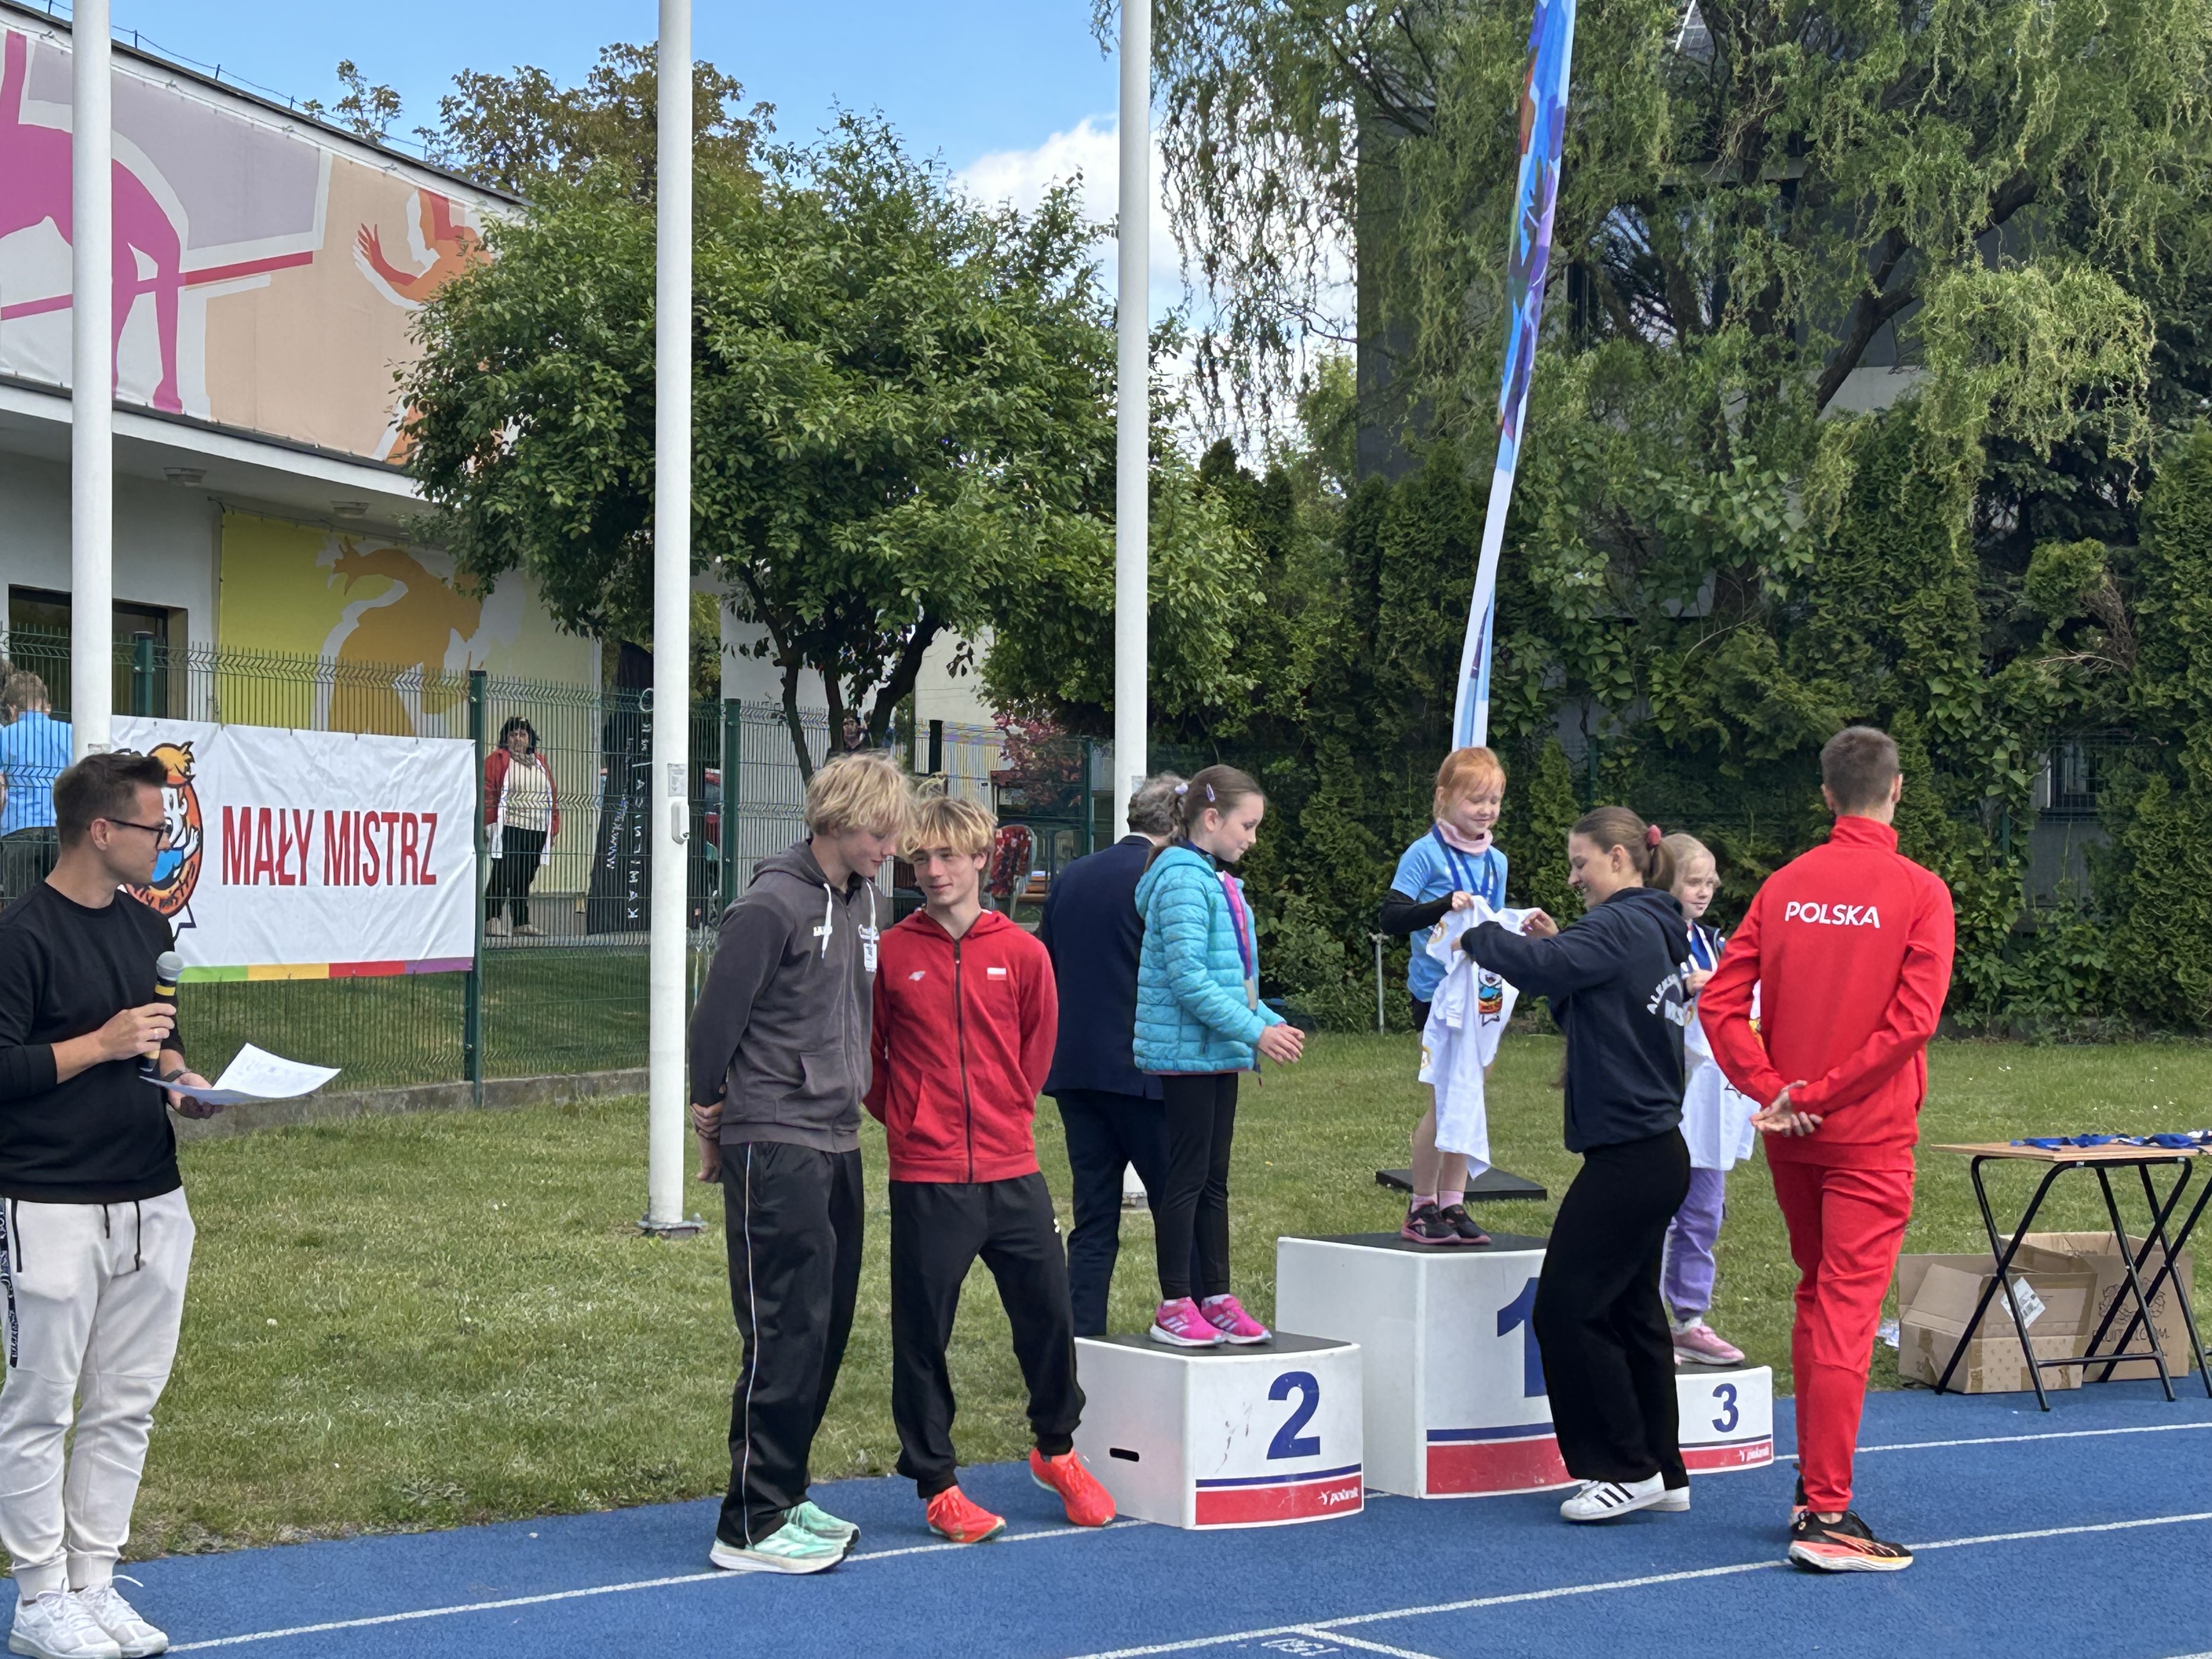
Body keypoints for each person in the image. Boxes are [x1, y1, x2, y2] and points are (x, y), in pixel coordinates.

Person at [1700, 726, 1954, 1573]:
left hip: (1795, 1134)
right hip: (1863, 1133)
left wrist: (1773, 1090)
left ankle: (1815, 1492)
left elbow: (1721, 1004)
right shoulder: (1920, 892)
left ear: (1826, 795)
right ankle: (1827, 1511)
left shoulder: (1786, 885)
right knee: (1843, 1308)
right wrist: (1808, 1096)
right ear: (1897, 789)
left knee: (1819, 1297)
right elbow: (1912, 1023)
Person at [0, 750, 221, 1659]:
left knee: (127, 1402)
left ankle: (95, 1580)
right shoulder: (20, 936)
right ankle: (39, 1596)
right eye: (153, 829)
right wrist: (99, 1043)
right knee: (42, 1405)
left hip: (151, 1193)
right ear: (101, 830)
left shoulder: (145, 927)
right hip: (46, 1198)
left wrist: (184, 1078)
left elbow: (160, 1039)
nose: (165, 845)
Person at [867, 795, 1116, 1544]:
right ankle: (938, 1484)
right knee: (922, 1335)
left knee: (1049, 1317)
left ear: (982, 860)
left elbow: (1037, 1049)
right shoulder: (893, 954)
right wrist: (911, 1118)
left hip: (1013, 1169)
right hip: (927, 1174)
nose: (933, 871)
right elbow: (871, 1060)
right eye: (921, 858)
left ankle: (1056, 1450)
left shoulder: (1025, 954)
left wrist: (1007, 1112)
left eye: (948, 856)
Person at [686, 749, 905, 1576]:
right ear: (840, 822)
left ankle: (784, 1492)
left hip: (838, 1137)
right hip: (775, 1139)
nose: (891, 848)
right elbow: (714, 1027)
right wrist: (710, 1117)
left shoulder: (865, 899)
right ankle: (748, 1522)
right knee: (782, 1327)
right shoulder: (769, 904)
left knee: (825, 1326)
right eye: (881, 833)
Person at [1460, 808, 1693, 1525]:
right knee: (1631, 1310)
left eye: (1580, 862)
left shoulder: (1622, 924)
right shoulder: (1652, 927)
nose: (1572, 877)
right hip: (1654, 1151)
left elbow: (1545, 969)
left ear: (1619, 859)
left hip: (1632, 1155)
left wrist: (1477, 933)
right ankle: (1663, 1467)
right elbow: (1586, 1002)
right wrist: (1557, 949)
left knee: (1567, 1307)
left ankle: (1624, 1466)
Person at [1133, 766, 1305, 1348]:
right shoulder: (1184, 880)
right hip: (1187, 1054)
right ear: (1211, 819)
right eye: (1247, 826)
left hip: (1215, 1052)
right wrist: (1256, 1033)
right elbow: (1189, 980)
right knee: (1186, 1179)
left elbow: (1234, 981)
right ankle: (1175, 1303)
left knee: (1213, 1180)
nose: (1252, 839)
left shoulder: (1214, 878)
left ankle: (1217, 1297)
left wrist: (1269, 1021)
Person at [1036, 774, 1202, 1336]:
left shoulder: (1074, 876)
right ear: (1179, 824)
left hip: (1077, 1068)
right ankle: (1193, 1316)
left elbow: (1049, 965)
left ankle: (1081, 1337)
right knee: (1179, 1208)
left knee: (1093, 1217)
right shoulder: (1171, 878)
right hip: (1150, 1071)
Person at [1379, 747, 1510, 1245]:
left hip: (1484, 995)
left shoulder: (1496, 861)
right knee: (1446, 1098)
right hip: (1437, 995)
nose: (1486, 810)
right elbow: (1391, 916)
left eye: (1494, 801)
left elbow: (1492, 928)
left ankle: (1454, 1203)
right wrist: (1440, 906)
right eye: (1476, 800)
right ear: (1444, 798)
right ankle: (1421, 1205)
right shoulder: (1424, 854)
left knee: (1469, 1098)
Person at [1658, 833, 1758, 1367]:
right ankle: (1645, 1320)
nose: (1704, 892)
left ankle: (1689, 1320)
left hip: (1713, 1105)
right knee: (1655, 1213)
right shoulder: (1650, 936)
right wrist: (1685, 986)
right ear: (1665, 882)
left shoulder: (1714, 942)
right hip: (1663, 1104)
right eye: (1693, 882)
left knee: (1704, 1213)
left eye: (1710, 883)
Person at [483, 717, 558, 938]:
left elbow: (552, 796)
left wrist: (552, 829)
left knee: (525, 876)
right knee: (503, 873)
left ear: (530, 739)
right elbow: (488, 792)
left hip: (536, 827)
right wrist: (490, 823)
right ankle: (492, 919)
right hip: (509, 826)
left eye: (522, 735)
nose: (518, 739)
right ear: (506, 739)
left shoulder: (540, 762)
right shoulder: (498, 759)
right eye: (513, 735)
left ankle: (521, 922)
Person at [0, 673, 71, 905]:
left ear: (12, 708)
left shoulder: (4, 736)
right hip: (62, 830)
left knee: (21, 909)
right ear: (45, 704)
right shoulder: (70, 733)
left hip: (18, 829)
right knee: (64, 906)